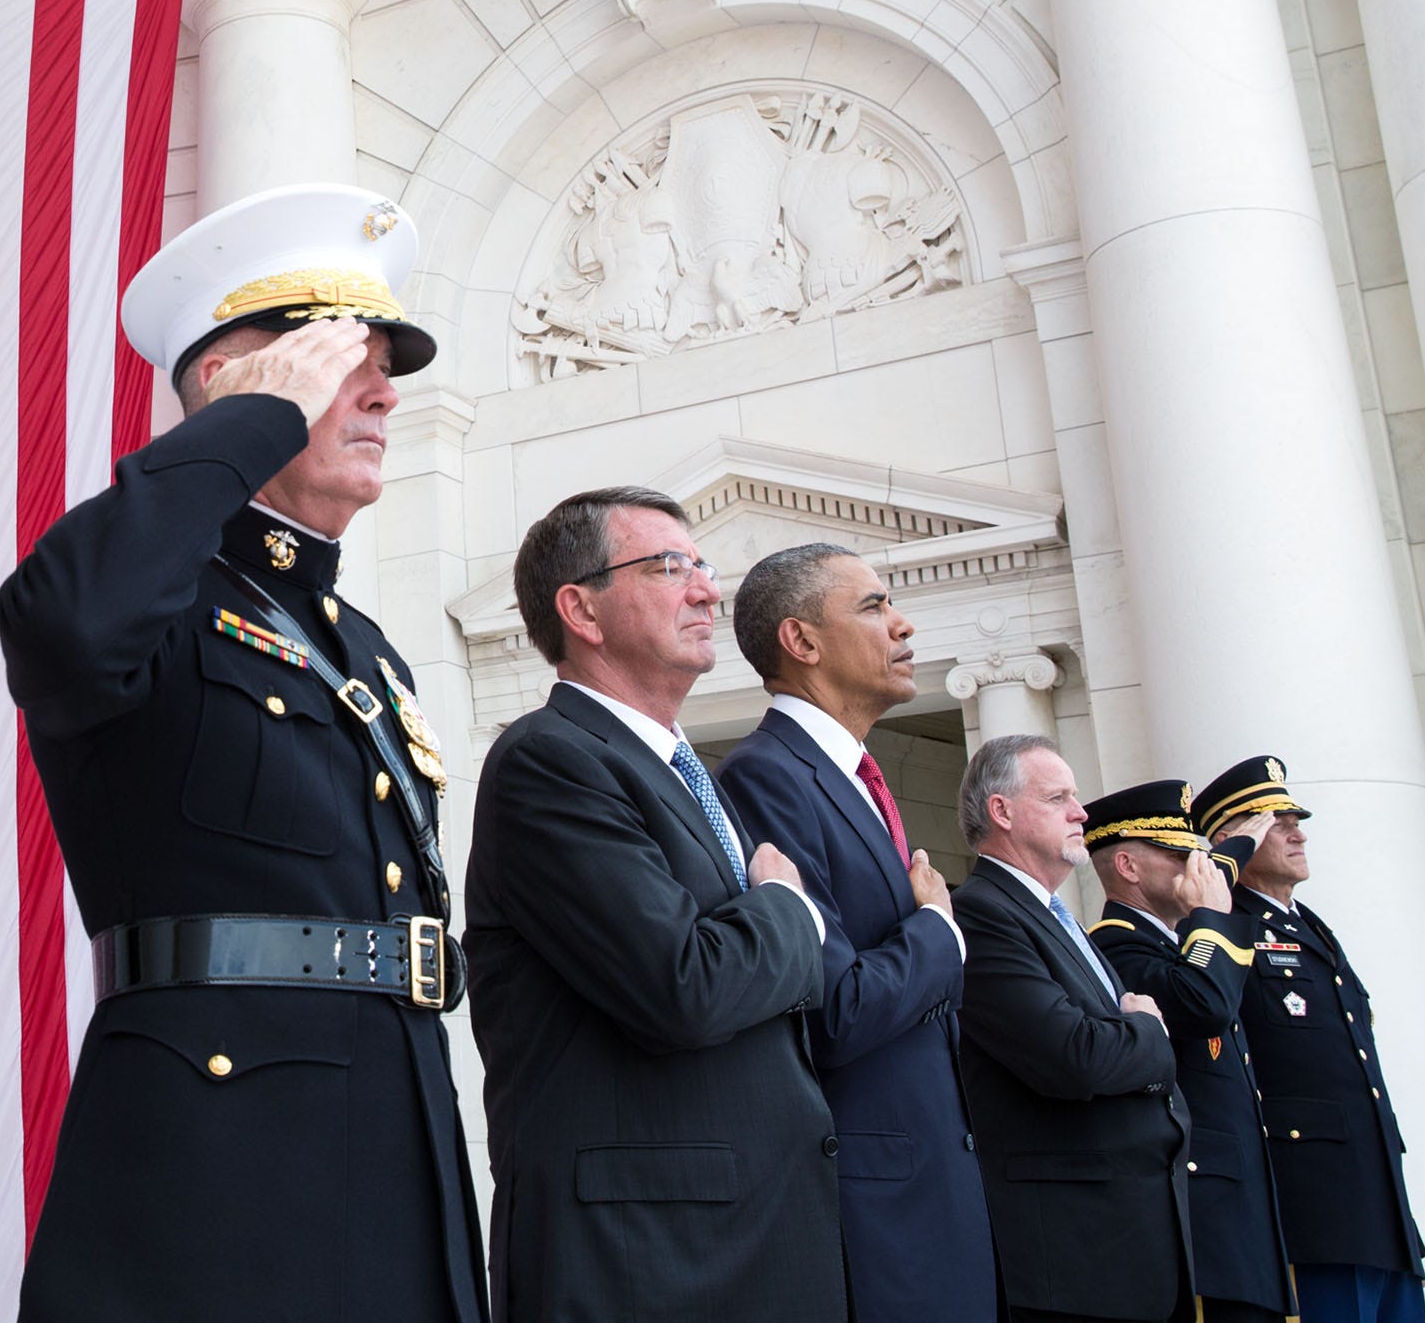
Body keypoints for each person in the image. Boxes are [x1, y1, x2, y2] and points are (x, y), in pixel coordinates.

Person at [0, 183, 485, 1323]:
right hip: (223, 1179)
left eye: (386, 364)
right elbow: (67, 628)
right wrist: (242, 429)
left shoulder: (358, 647)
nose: (381, 390)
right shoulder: (152, 596)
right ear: (230, 385)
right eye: (336, 358)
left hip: (393, 1134)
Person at [465, 487, 844, 1323]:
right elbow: (685, 985)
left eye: (703, 567)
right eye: (670, 567)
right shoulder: (549, 761)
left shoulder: (684, 773)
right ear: (582, 610)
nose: (708, 590)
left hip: (749, 1240)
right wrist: (793, 913)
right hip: (648, 1263)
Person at [715, 544, 994, 1323]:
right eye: (873, 607)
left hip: (935, 1198)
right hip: (876, 1219)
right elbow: (835, 1007)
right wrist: (940, 929)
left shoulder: (851, 775)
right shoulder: (767, 774)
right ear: (800, 642)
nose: (903, 624)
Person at [951, 735, 1192, 1323]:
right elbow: (1071, 1055)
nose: (1081, 813)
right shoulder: (983, 912)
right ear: (1000, 812)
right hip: (1075, 1258)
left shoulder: (1054, 915)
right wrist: (1151, 1034)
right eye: (1058, 797)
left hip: (1127, 1244)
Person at [1195, 756, 1425, 1323]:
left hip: (1374, 1202)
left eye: (1294, 820)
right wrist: (1223, 873)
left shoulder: (1309, 926)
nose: (1297, 832)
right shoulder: (1227, 926)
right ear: (1236, 840)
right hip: (1312, 1211)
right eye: (1276, 823)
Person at [1080, 781, 1296, 1323]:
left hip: (1240, 1218)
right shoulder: (1115, 946)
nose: (1198, 868)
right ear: (1127, 866)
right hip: (1202, 1219)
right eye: (1180, 856)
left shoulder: (1174, 944)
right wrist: (1212, 917)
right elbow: (1204, 1004)